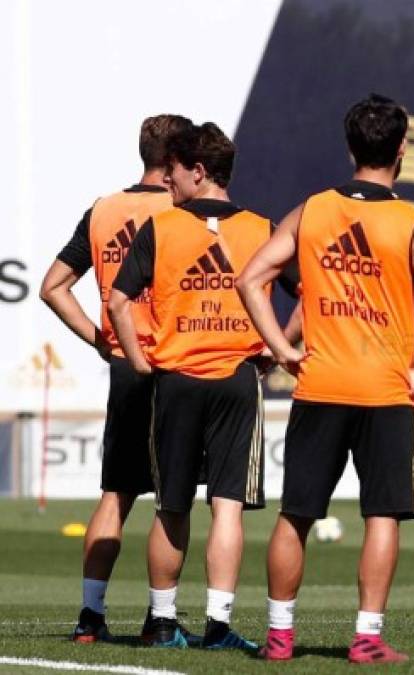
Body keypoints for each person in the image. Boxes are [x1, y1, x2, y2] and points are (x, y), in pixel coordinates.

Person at [236, 94, 414, 665]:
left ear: (350, 146)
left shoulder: (312, 210)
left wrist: (283, 349)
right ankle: (367, 638)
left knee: (297, 513)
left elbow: (251, 277)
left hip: (320, 383)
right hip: (384, 391)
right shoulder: (413, 223)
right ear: (401, 149)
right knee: (382, 514)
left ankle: (279, 637)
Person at [109, 121, 284, 651]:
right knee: (227, 505)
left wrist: (139, 359)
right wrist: (275, 349)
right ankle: (219, 625)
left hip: (177, 379)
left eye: (176, 173)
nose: (170, 183)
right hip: (236, 377)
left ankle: (163, 622)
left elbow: (118, 302)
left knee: (172, 504)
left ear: (199, 171)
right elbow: (302, 294)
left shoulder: (162, 228)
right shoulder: (261, 228)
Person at [39, 114, 195, 643]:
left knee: (115, 495)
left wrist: (101, 338)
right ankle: (161, 619)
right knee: (172, 499)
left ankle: (90, 617)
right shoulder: (182, 208)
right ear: (176, 159)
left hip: (125, 366)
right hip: (173, 362)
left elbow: (53, 286)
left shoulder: (103, 209)